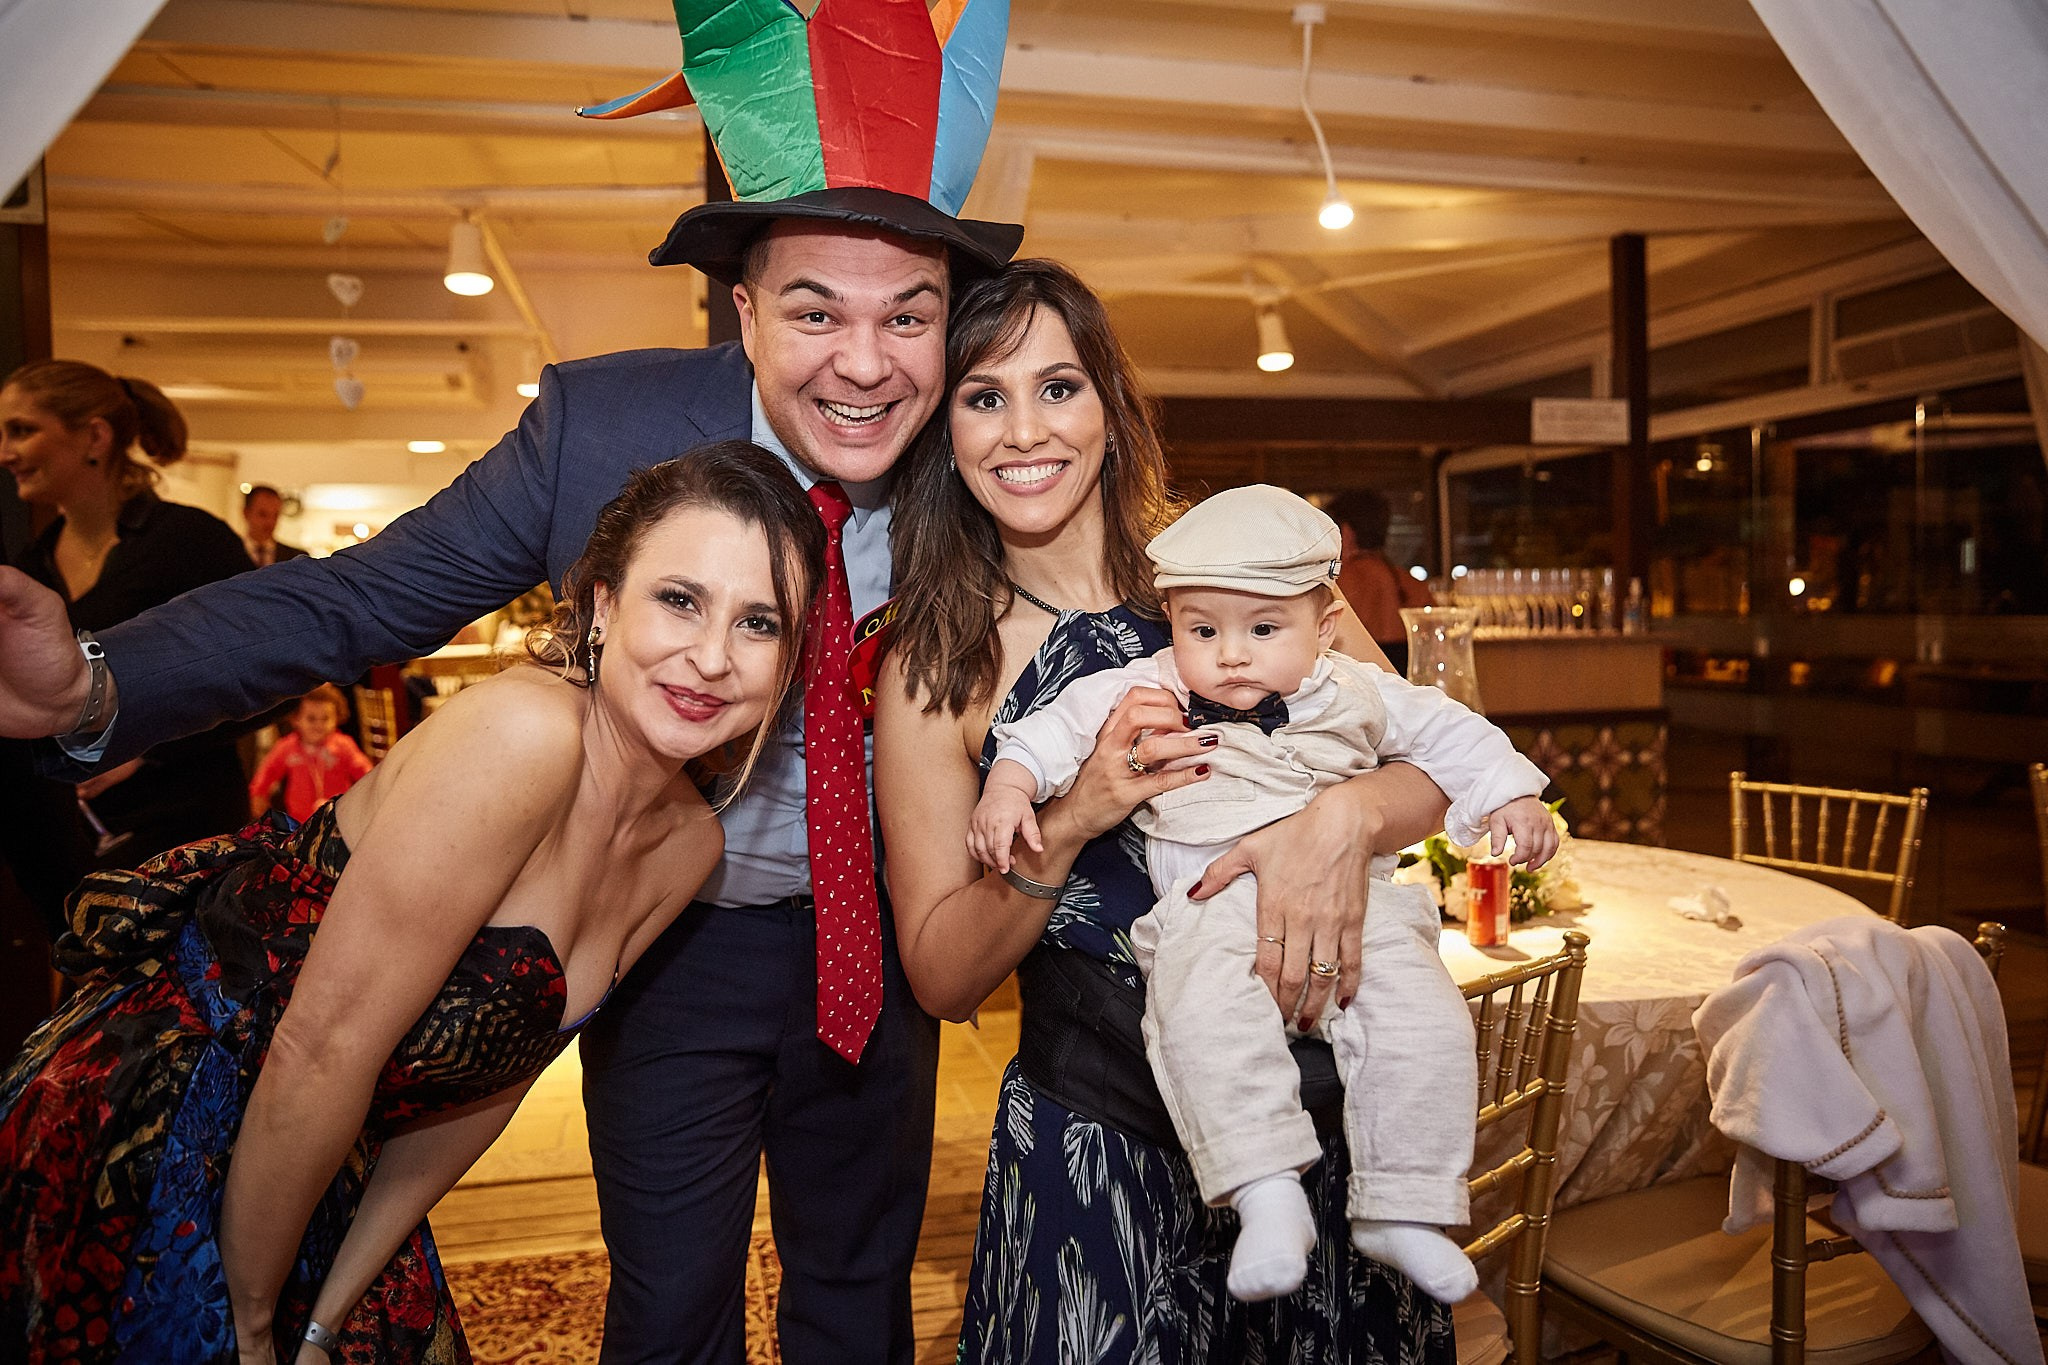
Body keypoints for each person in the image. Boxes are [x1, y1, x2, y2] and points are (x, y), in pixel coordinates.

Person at [0, 8, 1432, 1358]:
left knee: (858, 1294)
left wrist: (1341, 795)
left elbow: (1160, 597)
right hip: (664, 930)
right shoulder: (600, 428)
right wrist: (94, 690)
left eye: (909, 318)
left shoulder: (985, 454)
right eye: (813, 311)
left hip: (887, 940)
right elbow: (359, 597)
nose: (863, 365)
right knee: (670, 1299)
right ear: (742, 313)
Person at [0, 443, 824, 1363]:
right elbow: (319, 1047)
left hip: (324, 1163)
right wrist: (254, 1326)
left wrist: (327, 1314)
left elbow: (493, 1082)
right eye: (680, 599)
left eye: (760, 623)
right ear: (602, 605)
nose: (711, 657)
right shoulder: (523, 733)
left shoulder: (688, 847)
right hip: (165, 1132)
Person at [876, 259, 1464, 1362]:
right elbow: (941, 977)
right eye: (983, 396)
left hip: (1323, 1130)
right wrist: (1073, 813)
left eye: (1058, 387)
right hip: (1100, 1152)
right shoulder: (935, 660)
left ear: (1108, 403)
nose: (1023, 431)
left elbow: (1429, 772)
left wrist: (1336, 824)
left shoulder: (1254, 567)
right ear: (944, 430)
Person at [970, 483, 1556, 1307]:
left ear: (1325, 625)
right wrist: (1008, 787)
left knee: (1427, 1018)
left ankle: (1408, 1202)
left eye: (1264, 629)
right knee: (1202, 1021)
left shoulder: (1359, 688)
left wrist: (1513, 795)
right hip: (1207, 911)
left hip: (1357, 912)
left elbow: (1453, 733)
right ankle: (1264, 1190)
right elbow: (1049, 730)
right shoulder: (1152, 686)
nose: (1232, 654)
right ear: (1172, 619)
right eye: (1204, 629)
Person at [0, 361, 252, 939]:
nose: (6, 453)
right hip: (73, 856)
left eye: (22, 430)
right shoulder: (30, 565)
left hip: (185, 840)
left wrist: (147, 746)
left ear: (94, 436)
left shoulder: (190, 542)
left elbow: (274, 683)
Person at [1329, 489, 1432, 676]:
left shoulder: (1334, 585)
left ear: (1346, 532)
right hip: (1406, 685)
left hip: (1357, 686)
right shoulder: (1414, 586)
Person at [249, 682, 374, 822]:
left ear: (337, 717)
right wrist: (258, 794)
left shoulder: (343, 745)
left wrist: (370, 793)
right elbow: (268, 771)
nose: (319, 725)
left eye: (325, 718)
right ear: (296, 718)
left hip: (338, 818)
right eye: (311, 719)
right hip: (299, 821)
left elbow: (365, 772)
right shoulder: (287, 747)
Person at [242, 484, 307, 566]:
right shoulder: (229, 555)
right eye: (263, 514)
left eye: (275, 515)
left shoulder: (296, 559)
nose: (270, 521)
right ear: (246, 513)